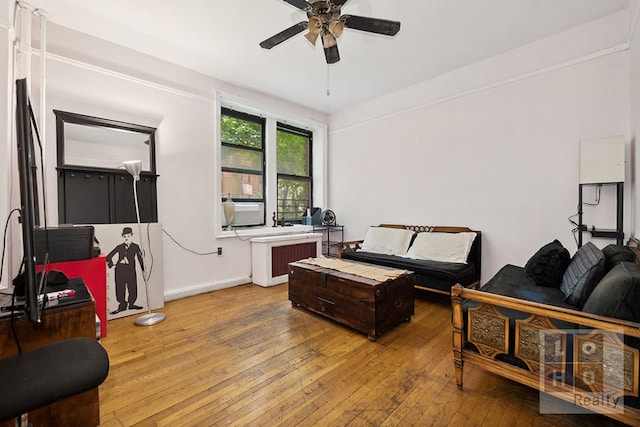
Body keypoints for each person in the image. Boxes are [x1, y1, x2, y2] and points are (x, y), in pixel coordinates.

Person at [106, 227, 144, 314]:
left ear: (131, 236)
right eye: (125, 236)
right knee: (120, 288)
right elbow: (108, 256)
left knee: (132, 287)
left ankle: (131, 304)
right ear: (123, 236)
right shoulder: (119, 247)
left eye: (128, 236)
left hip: (130, 270)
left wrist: (143, 269)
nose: (126, 237)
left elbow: (140, 258)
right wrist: (111, 264)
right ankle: (122, 305)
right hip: (120, 270)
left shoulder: (135, 246)